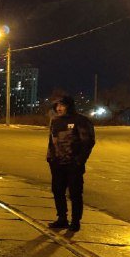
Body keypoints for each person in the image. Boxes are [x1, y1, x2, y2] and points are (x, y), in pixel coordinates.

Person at [46, 95, 95, 232]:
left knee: (75, 193)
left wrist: (79, 160)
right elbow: (52, 141)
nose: (59, 108)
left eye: (62, 105)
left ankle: (75, 221)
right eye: (57, 106)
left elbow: (88, 142)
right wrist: (50, 158)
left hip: (73, 164)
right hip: (57, 163)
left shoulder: (81, 120)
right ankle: (62, 218)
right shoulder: (55, 121)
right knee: (58, 191)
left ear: (69, 106)